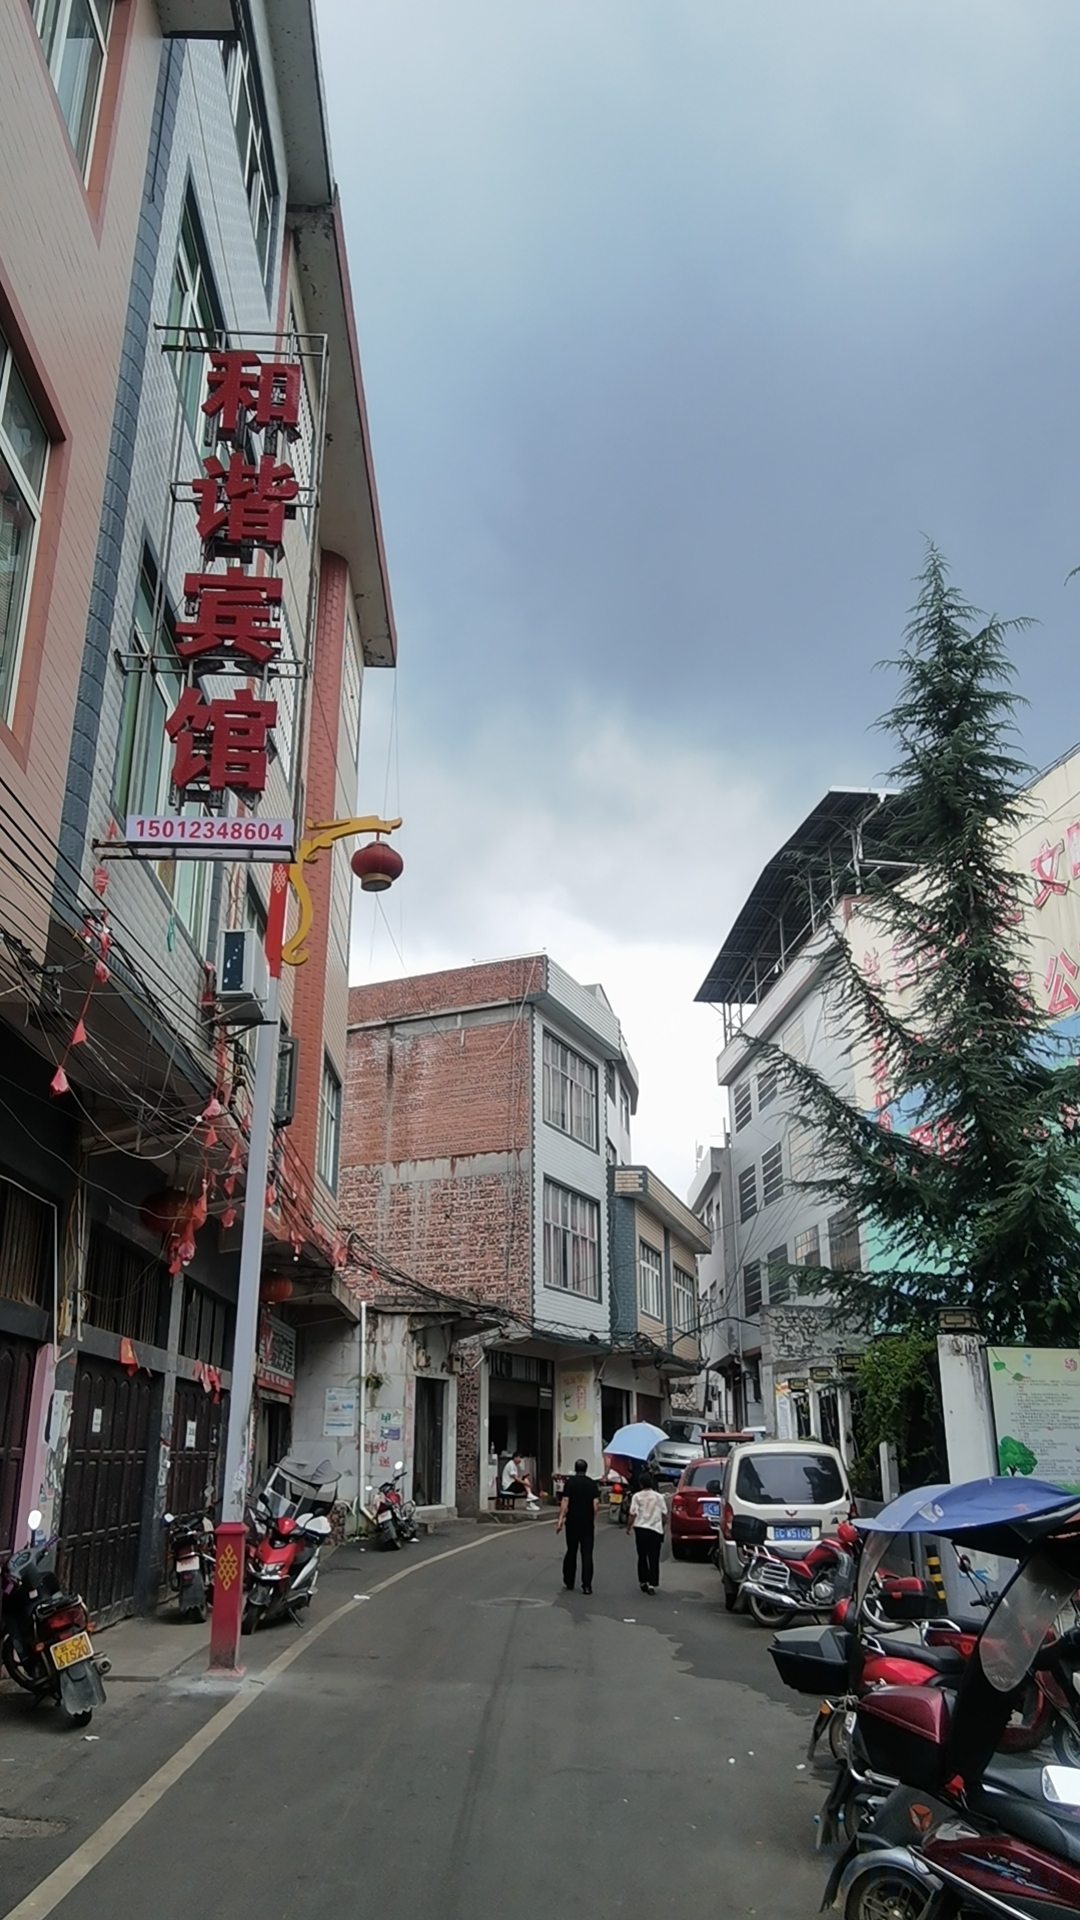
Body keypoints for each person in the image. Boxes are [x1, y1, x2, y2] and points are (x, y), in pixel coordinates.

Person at [556, 1459, 600, 1592]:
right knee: (587, 1554)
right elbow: (595, 1503)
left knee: (571, 1550)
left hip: (572, 1522)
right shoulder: (592, 1484)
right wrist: (592, 1517)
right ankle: (587, 1585)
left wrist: (560, 1519)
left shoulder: (570, 1483)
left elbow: (565, 1500)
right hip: (587, 1523)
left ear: (575, 1469)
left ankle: (569, 1581)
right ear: (586, 1469)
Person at [626, 1470, 666, 1593]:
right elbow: (664, 1514)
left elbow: (632, 1513)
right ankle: (652, 1584)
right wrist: (661, 1525)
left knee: (642, 1556)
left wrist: (628, 1527)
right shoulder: (659, 1497)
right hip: (655, 1530)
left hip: (641, 1529)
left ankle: (643, 1581)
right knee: (654, 1557)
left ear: (641, 1484)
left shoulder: (637, 1496)